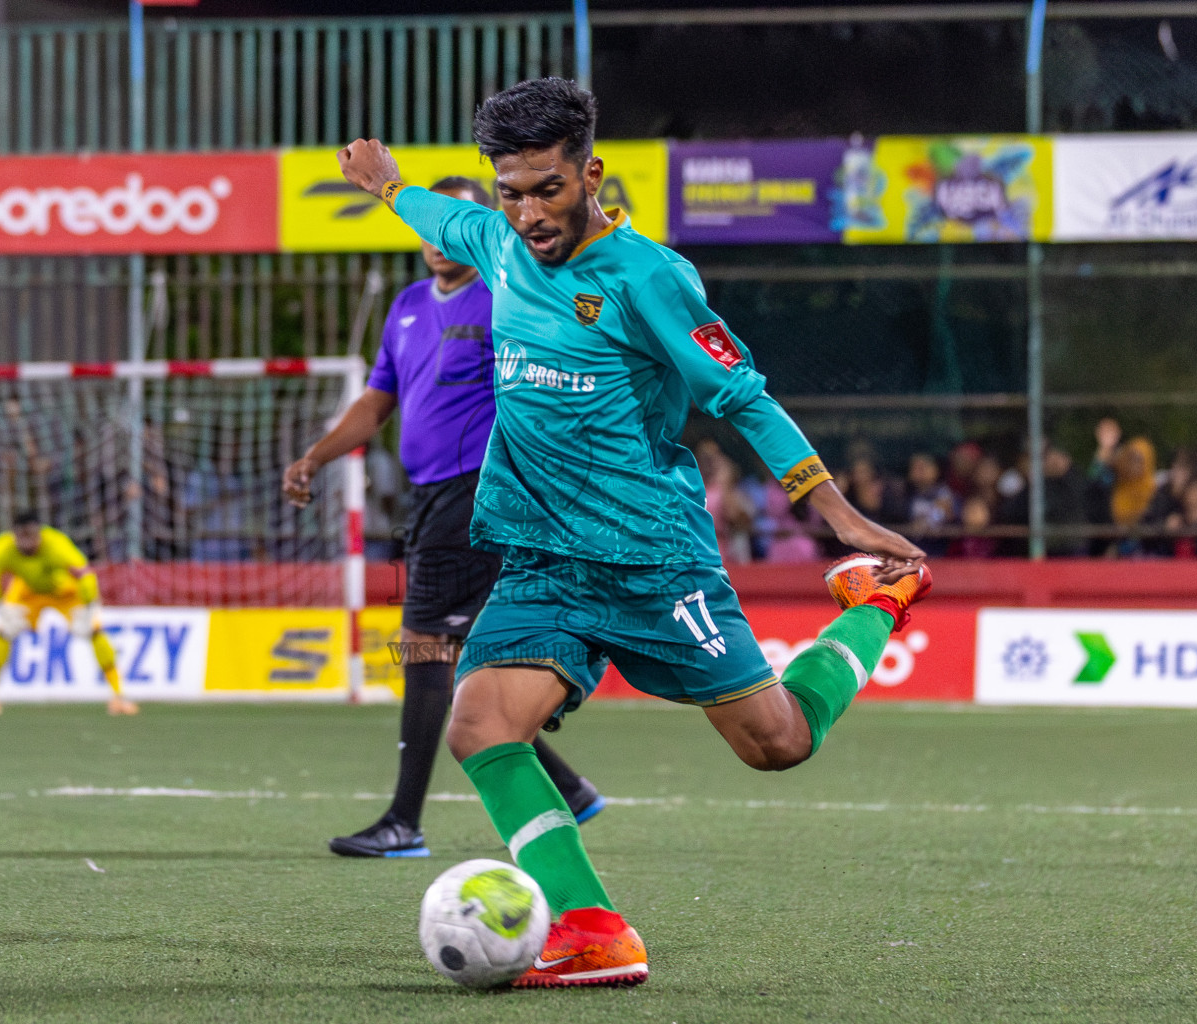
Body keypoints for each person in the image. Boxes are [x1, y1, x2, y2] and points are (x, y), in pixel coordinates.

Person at [337, 77, 929, 988]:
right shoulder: (496, 243)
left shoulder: (650, 277)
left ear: (591, 172)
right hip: (540, 557)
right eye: (511, 191)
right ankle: (591, 928)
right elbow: (433, 213)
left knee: (778, 743)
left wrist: (840, 516)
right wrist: (385, 183)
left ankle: (874, 604)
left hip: (650, 559)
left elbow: (743, 396)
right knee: (481, 724)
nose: (529, 213)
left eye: (548, 188)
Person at [283, 175, 604, 859]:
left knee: (424, 647)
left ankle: (403, 821)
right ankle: (569, 788)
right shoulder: (404, 306)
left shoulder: (505, 295)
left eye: (453, 223)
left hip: (478, 494)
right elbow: (376, 404)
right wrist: (316, 457)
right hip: (426, 497)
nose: (436, 238)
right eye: (428, 224)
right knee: (457, 656)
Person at [0, 510, 138, 717]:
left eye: (32, 536)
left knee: (93, 631)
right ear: (14, 535)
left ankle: (119, 697)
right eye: (22, 537)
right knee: (5, 632)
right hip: (28, 592)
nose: (28, 542)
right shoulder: (1, 549)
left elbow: (84, 574)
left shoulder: (57, 544)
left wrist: (89, 606)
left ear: (39, 533)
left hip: (64, 591)